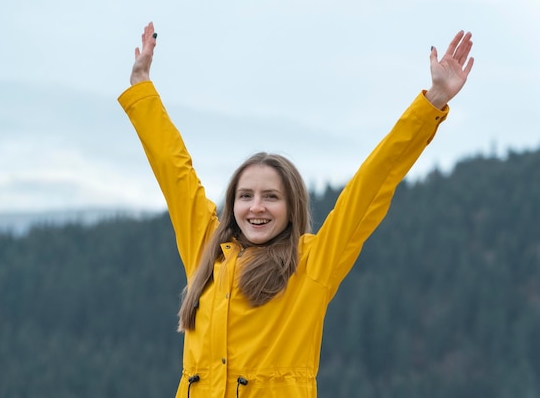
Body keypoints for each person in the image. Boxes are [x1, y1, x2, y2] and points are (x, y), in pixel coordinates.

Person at [118, 22, 474, 398]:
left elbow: (373, 184)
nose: (257, 207)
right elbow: (175, 171)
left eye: (271, 197)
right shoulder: (204, 248)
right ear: (232, 204)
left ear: (292, 207)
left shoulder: (313, 264)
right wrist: (141, 86)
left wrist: (432, 101)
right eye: (245, 196)